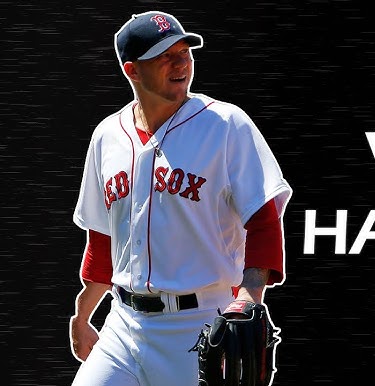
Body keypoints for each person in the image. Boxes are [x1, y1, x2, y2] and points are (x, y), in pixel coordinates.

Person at [69, 10, 292, 386]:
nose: (181, 64)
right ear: (132, 70)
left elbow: (264, 219)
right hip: (123, 325)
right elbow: (104, 238)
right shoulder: (107, 134)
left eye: (184, 52)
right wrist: (83, 314)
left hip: (199, 323)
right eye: (165, 56)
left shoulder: (225, 125)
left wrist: (251, 297)